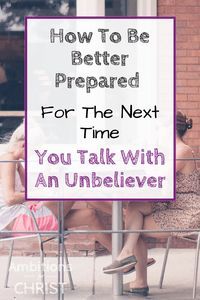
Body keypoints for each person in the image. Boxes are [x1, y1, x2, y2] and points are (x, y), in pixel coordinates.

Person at [103, 111, 199, 296]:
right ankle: (129, 259)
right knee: (134, 208)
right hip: (172, 205)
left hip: (188, 212)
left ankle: (134, 271)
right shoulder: (169, 151)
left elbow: (158, 178)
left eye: (158, 128)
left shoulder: (182, 151)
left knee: (133, 228)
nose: (155, 132)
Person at [0, 123, 111, 253]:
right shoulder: (8, 159)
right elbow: (10, 198)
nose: (35, 154)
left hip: (26, 218)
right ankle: (122, 216)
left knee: (89, 215)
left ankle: (121, 258)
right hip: (21, 223)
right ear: (24, 145)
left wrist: (50, 177)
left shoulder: (15, 162)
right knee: (78, 188)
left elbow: (32, 189)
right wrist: (43, 194)